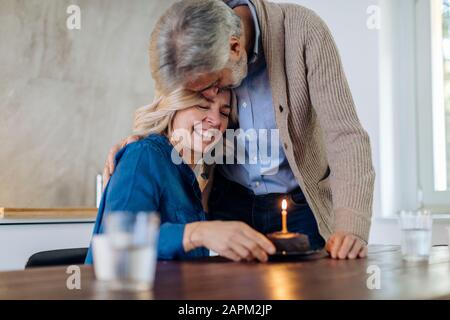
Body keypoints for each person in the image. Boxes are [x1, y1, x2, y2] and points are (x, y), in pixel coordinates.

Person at [104, 0, 375, 260]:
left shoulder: (304, 31)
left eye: (212, 87)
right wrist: (144, 143)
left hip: (298, 208)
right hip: (229, 205)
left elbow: (345, 135)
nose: (211, 96)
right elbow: (174, 112)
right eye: (198, 96)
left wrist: (351, 225)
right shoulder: (191, 38)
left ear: (235, 48)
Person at [85, 88, 276, 264]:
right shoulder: (144, 154)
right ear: (174, 105)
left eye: (224, 113)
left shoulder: (195, 179)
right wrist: (198, 233)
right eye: (202, 105)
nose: (216, 120)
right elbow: (119, 241)